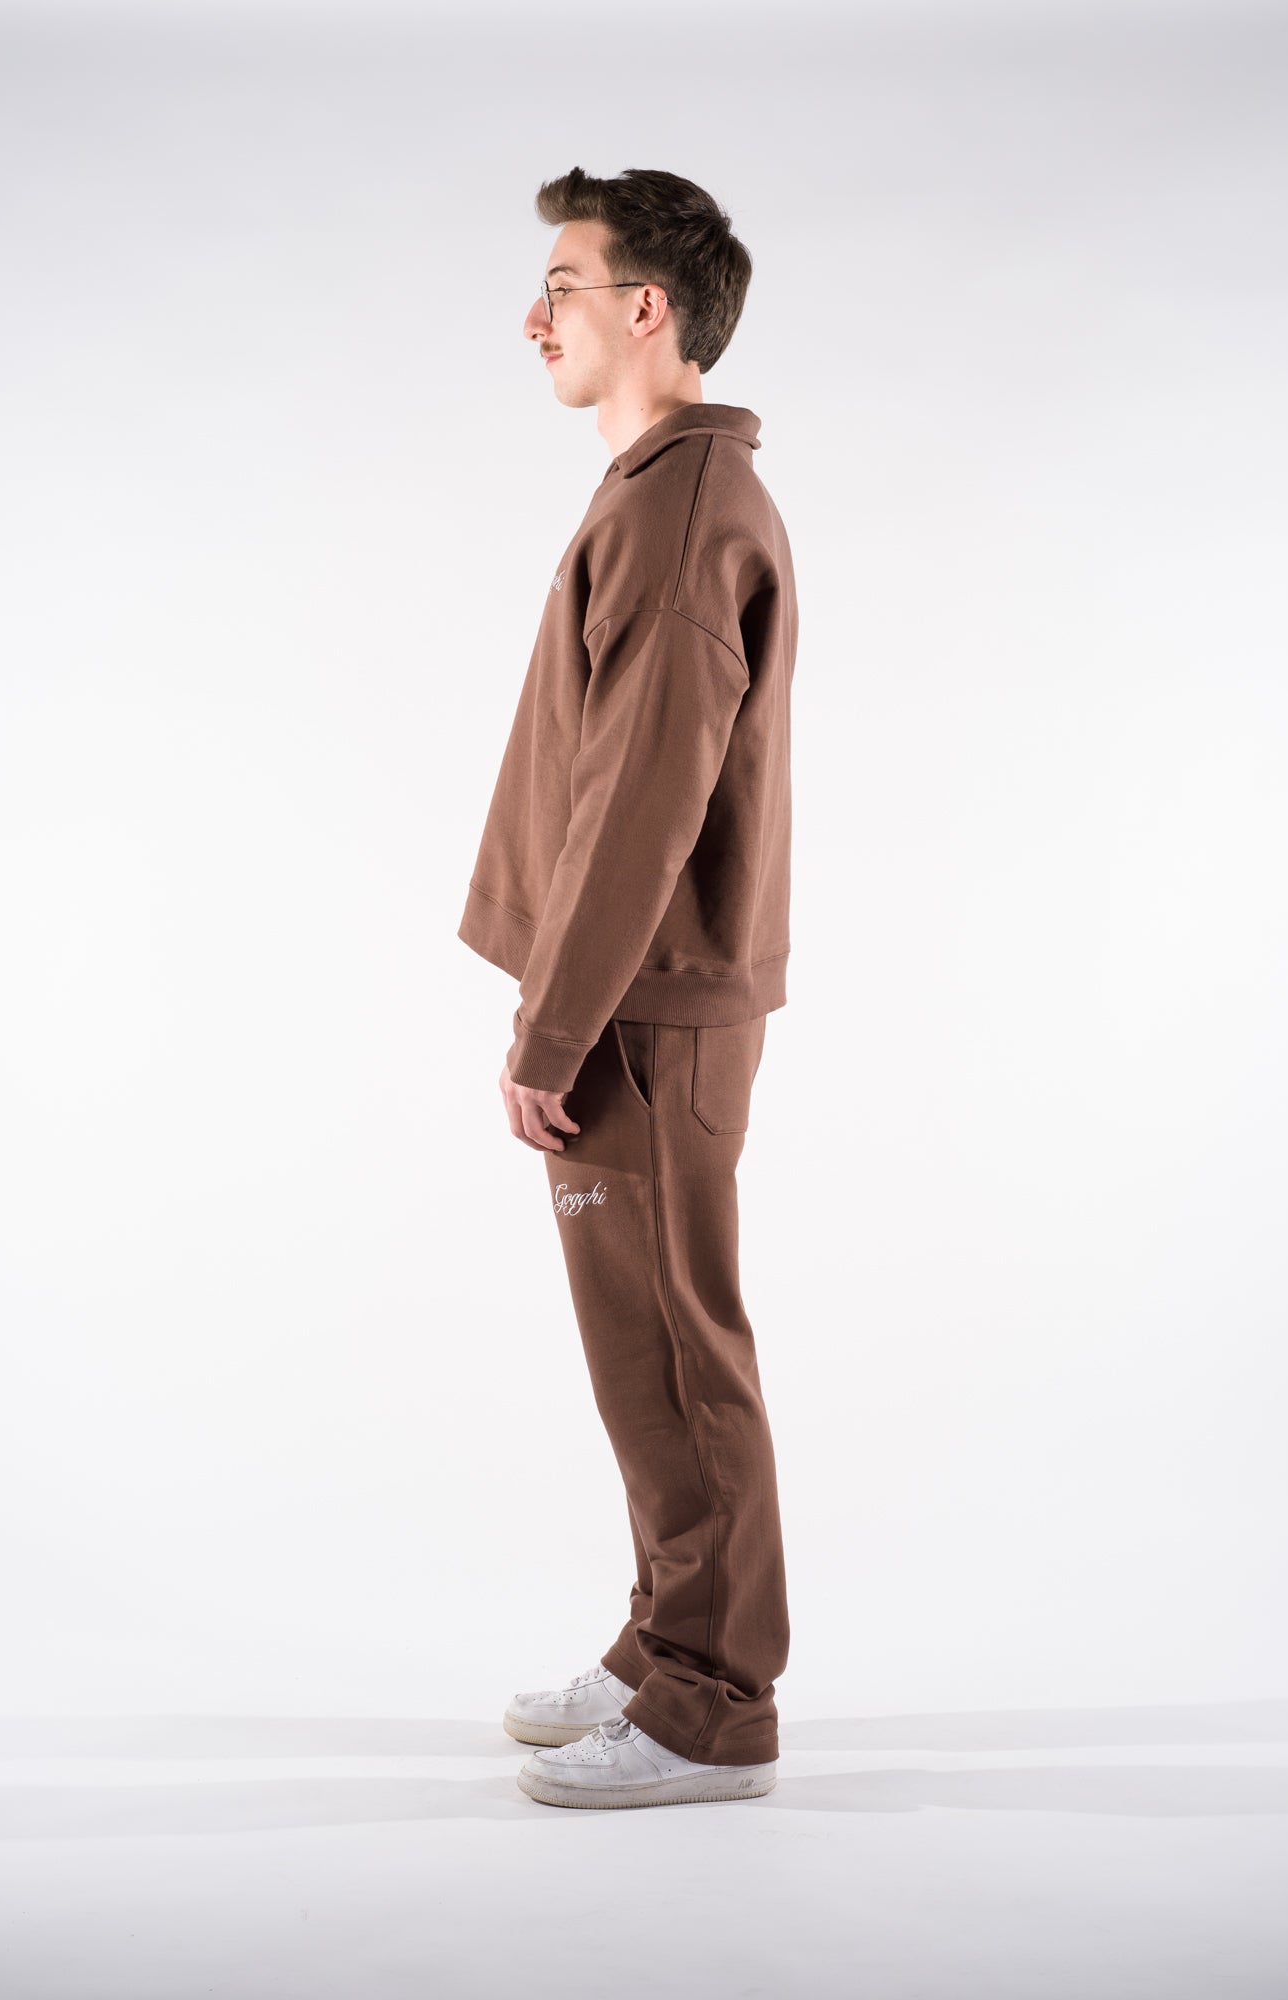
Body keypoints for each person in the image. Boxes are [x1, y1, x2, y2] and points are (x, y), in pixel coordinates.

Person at [456, 165, 799, 1811]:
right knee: (645, 1349)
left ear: (645, 308)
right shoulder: (665, 493)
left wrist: (553, 1027)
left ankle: (715, 1703)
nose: (536, 319)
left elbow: (641, 799)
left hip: (637, 1013)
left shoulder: (677, 510)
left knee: (673, 1351)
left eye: (564, 286)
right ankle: (669, 1642)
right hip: (639, 1001)